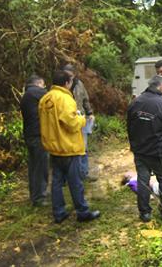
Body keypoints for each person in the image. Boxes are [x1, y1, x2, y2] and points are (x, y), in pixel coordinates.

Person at [39, 70, 100, 224]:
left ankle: (59, 213)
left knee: (57, 182)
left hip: (53, 147)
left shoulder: (45, 99)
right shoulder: (65, 98)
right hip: (68, 147)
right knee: (75, 182)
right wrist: (81, 119)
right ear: (67, 83)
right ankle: (83, 212)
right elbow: (72, 124)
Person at [127, 75, 162, 222]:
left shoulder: (135, 102)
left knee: (143, 181)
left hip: (141, 151)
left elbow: (130, 128)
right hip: (160, 152)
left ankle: (144, 213)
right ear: (160, 86)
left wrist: (135, 146)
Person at [60, 64, 96, 181]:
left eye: (69, 74)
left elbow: (85, 99)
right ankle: (65, 177)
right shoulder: (60, 85)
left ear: (74, 74)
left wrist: (89, 113)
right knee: (66, 149)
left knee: (83, 147)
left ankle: (84, 173)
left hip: (80, 119)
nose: (68, 77)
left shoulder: (79, 84)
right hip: (65, 121)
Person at [20, 75, 49, 207]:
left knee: (33, 167)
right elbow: (52, 95)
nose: (44, 87)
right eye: (43, 85)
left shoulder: (26, 94)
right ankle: (38, 198)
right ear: (38, 83)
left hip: (29, 135)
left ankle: (34, 194)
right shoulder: (34, 92)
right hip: (37, 136)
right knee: (40, 167)